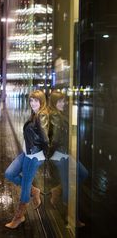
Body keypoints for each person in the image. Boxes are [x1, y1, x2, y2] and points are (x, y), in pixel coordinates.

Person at [4, 90, 50, 229]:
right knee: (9, 173)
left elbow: (46, 139)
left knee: (25, 185)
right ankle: (34, 191)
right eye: (31, 100)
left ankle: (19, 217)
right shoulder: (35, 114)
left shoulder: (41, 115)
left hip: (33, 156)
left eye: (36, 101)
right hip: (27, 153)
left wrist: (43, 157)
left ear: (42, 101)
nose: (33, 103)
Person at [48, 91, 88, 226]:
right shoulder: (55, 116)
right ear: (54, 102)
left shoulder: (60, 115)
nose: (63, 103)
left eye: (63, 101)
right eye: (59, 101)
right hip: (60, 155)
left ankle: (56, 190)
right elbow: (55, 140)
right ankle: (70, 217)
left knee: (83, 173)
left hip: (65, 153)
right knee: (68, 186)